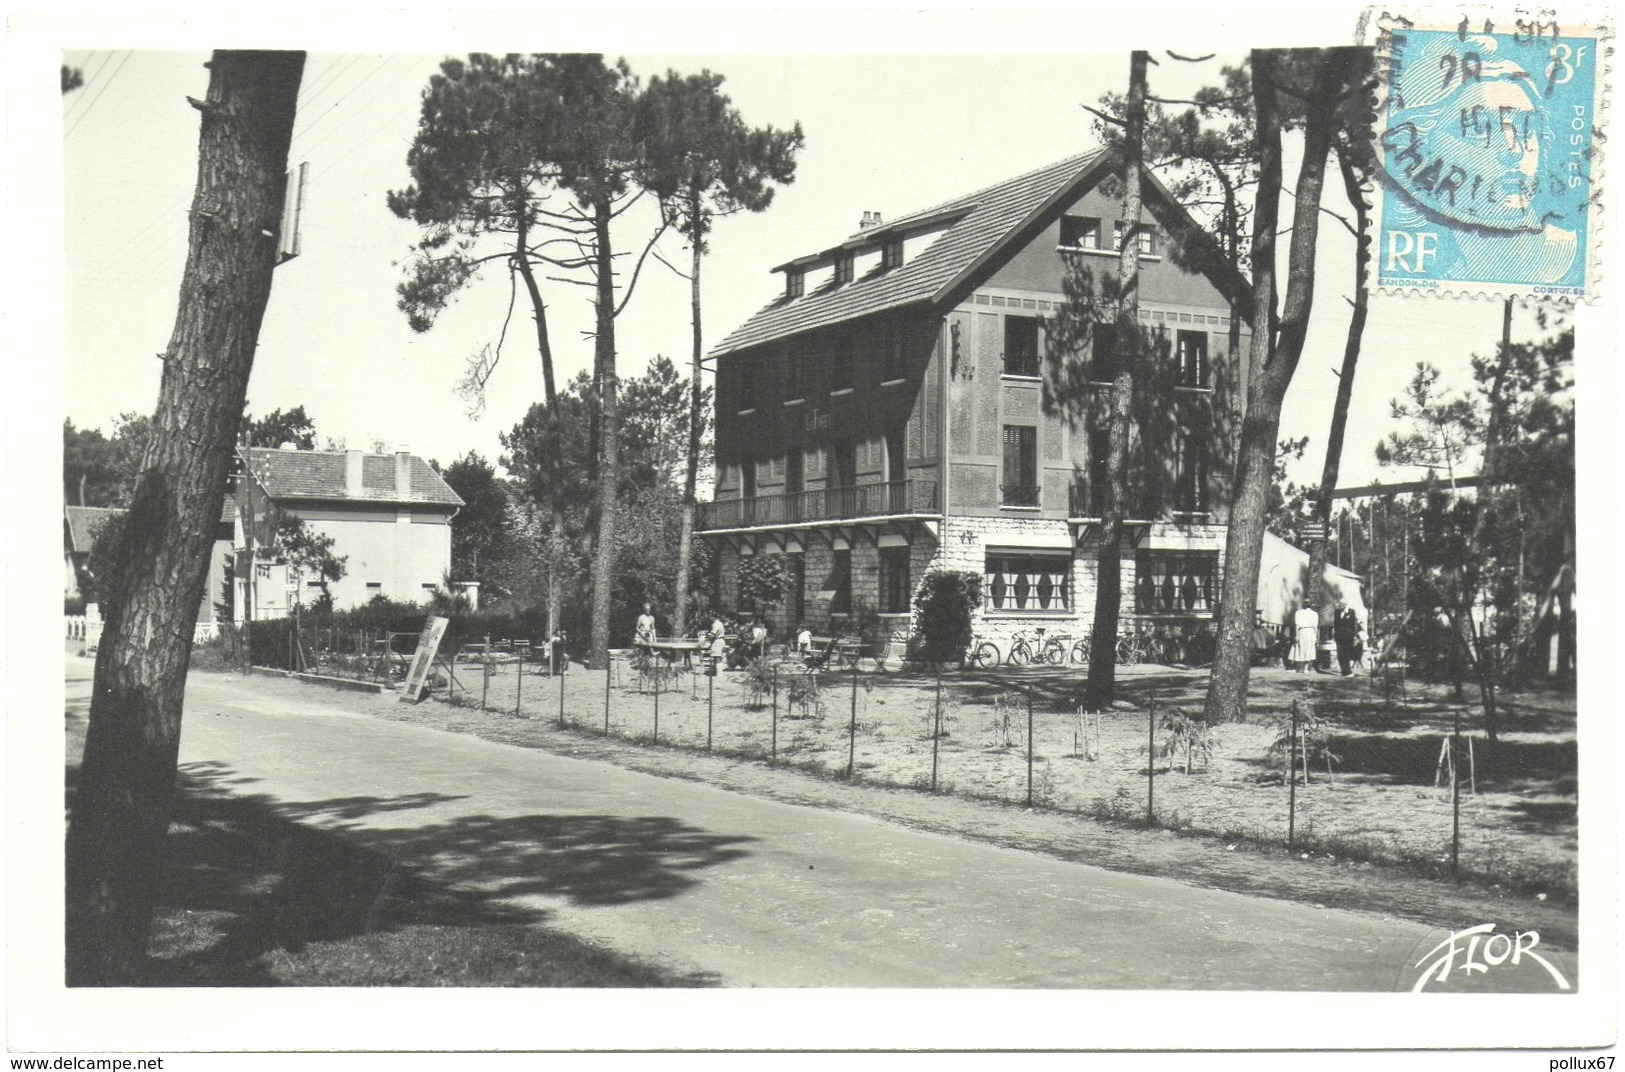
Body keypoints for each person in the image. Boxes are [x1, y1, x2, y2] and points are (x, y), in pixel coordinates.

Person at [1333, 603, 1363, 677]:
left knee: (1346, 653)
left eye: (1341, 604)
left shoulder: (1351, 612)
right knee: (1340, 654)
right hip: (1339, 637)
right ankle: (1344, 670)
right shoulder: (1337, 612)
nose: (1339, 606)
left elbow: (1353, 625)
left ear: (1345, 605)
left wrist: (1354, 636)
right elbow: (1335, 624)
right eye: (1339, 604)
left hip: (1348, 637)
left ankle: (1348, 671)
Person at [1290, 602, 1319, 673]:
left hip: (1305, 631)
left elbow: (1297, 625)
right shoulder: (1313, 613)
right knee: (1307, 649)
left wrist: (1297, 635)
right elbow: (1315, 627)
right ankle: (1303, 668)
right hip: (1308, 632)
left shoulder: (1300, 613)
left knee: (1302, 649)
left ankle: (1302, 668)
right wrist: (1316, 637)